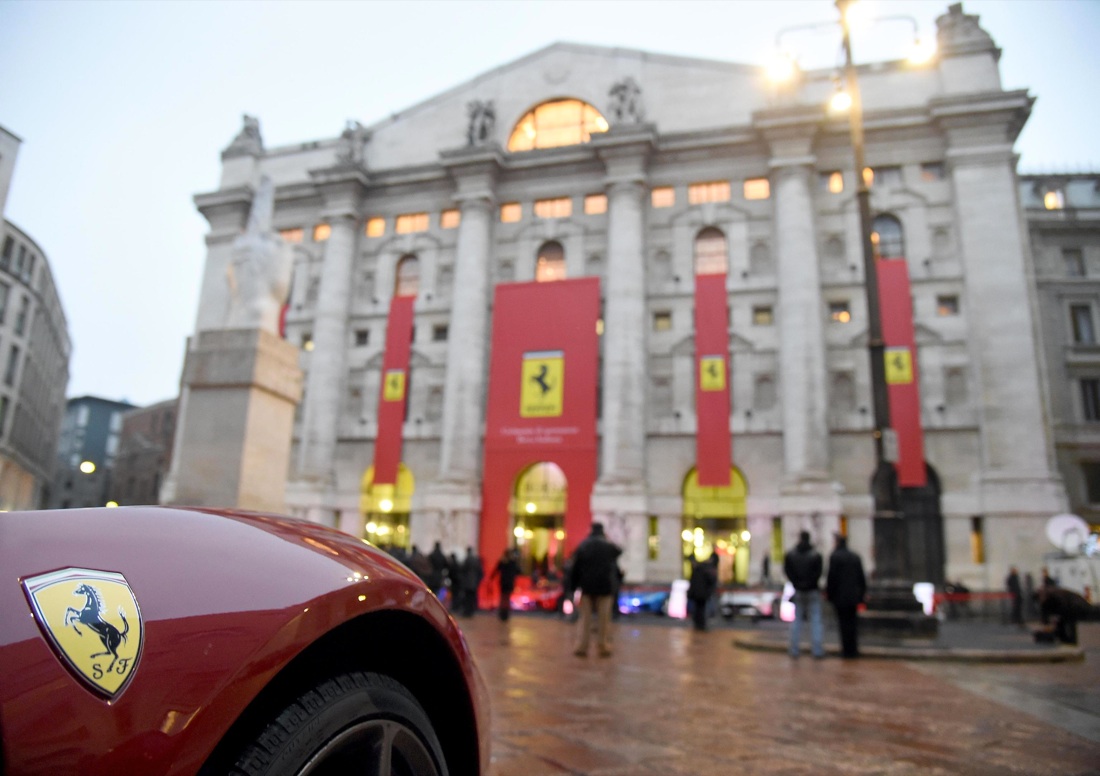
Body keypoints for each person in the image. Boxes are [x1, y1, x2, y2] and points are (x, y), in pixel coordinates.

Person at [569, 522, 622, 657]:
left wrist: (573, 587)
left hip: (586, 587)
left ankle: (582, 646)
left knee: (585, 618)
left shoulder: (584, 545)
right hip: (605, 587)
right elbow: (618, 551)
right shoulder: (608, 546)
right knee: (604, 619)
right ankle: (602, 646)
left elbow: (575, 568)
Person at [784, 530, 825, 659]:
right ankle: (817, 650)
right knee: (815, 620)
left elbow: (788, 571)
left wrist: (796, 583)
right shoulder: (815, 555)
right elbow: (818, 573)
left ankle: (794, 649)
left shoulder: (792, 554)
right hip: (812, 590)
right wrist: (809, 583)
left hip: (799, 590)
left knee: (797, 620)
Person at [825, 534, 866, 659]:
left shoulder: (835, 557)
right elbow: (861, 577)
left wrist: (829, 594)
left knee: (843, 624)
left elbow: (831, 578)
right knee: (852, 623)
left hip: (840, 596)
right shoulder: (855, 557)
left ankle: (846, 650)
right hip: (853, 596)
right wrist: (862, 594)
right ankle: (853, 649)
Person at [687, 553, 719, 631]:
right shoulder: (706, 569)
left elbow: (693, 582)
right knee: (701, 609)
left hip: (699, 593)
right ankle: (700, 624)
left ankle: (699, 624)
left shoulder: (699, 569)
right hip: (702, 593)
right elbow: (711, 581)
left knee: (699, 609)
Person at [490, 548, 521, 622]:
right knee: (507, 598)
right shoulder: (512, 562)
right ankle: (506, 614)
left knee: (503, 598)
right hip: (510, 583)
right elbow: (519, 571)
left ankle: (502, 614)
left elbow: (495, 571)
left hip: (503, 582)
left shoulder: (502, 562)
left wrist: (491, 578)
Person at [459, 546, 484, 617]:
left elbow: (462, 570)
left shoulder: (467, 559)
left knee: (467, 597)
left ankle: (467, 611)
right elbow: (480, 571)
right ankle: (471, 611)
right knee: (472, 597)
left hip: (467, 582)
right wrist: (478, 580)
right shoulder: (476, 560)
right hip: (474, 582)